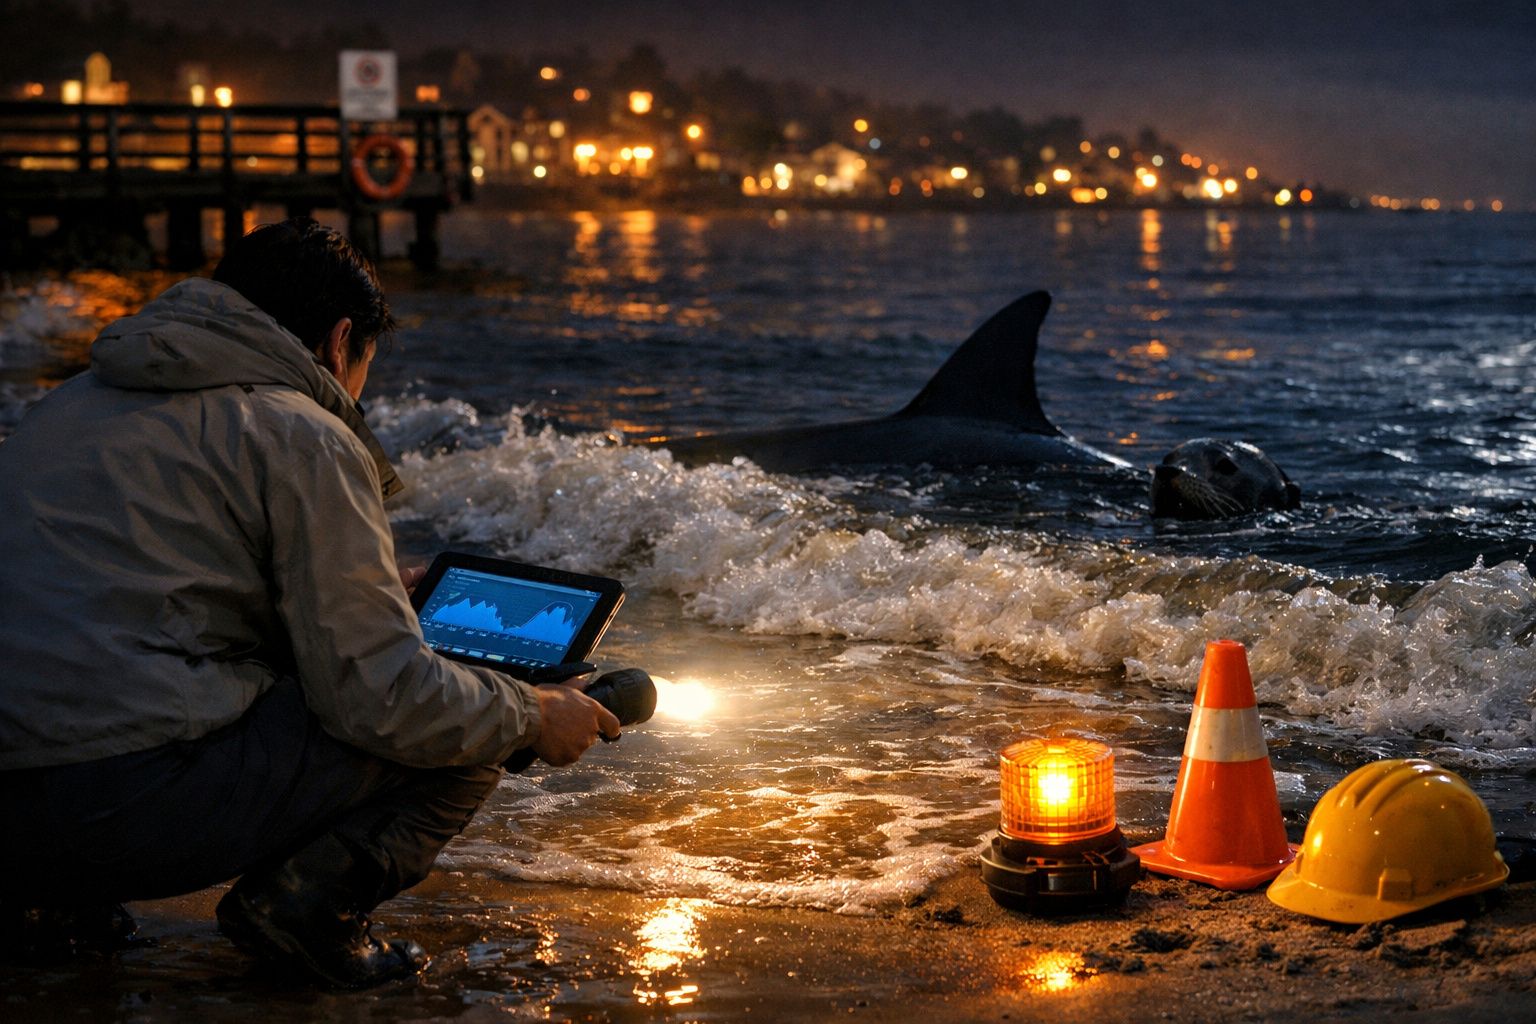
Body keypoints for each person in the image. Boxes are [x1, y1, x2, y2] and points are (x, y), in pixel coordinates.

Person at [0, 217, 621, 987]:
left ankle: (49, 910)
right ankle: (305, 911)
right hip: (109, 812)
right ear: (339, 340)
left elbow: (138, 604)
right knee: (470, 713)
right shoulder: (301, 431)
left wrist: (358, 594)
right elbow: (381, 697)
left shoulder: (66, 405)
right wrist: (532, 714)